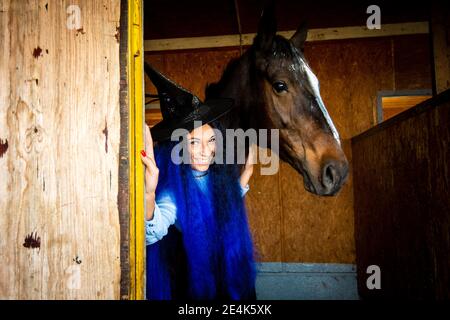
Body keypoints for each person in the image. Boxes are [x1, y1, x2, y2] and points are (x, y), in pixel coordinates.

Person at [140, 64, 256, 300]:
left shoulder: (218, 178)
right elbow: (155, 230)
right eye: (193, 142)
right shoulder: (174, 189)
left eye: (211, 140)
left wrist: (248, 170)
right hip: (197, 279)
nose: (205, 151)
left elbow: (226, 198)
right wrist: (149, 193)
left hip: (225, 270)